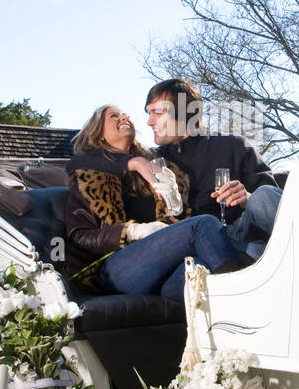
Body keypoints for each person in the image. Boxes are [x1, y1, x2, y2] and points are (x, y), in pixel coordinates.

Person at [70, 79, 283, 261]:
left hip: (242, 229)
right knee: (258, 252)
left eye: (157, 112)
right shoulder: (157, 161)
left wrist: (247, 197)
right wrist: (133, 163)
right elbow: (78, 163)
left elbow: (273, 198)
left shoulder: (234, 145)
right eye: (148, 113)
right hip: (198, 245)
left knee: (263, 197)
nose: (149, 121)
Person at [65, 105, 244, 299]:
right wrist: (134, 232)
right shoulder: (88, 174)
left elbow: (176, 227)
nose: (124, 117)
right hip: (114, 268)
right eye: (114, 116)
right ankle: (243, 294)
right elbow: (79, 236)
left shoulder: (157, 167)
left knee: (196, 269)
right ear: (98, 133)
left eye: (126, 114)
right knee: (203, 224)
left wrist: (175, 202)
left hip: (160, 265)